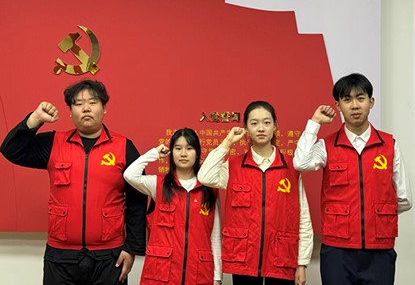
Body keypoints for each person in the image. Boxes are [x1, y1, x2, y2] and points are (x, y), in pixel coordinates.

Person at [0, 79, 148, 285]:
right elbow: (11, 149)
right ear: (70, 112)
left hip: (109, 256)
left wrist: (132, 248)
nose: (86, 108)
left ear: (104, 108)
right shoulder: (54, 143)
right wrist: (35, 119)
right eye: (78, 103)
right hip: (61, 256)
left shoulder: (123, 147)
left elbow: (137, 200)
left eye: (93, 102)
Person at [293, 73, 413, 285]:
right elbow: (301, 163)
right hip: (337, 251)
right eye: (347, 99)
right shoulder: (326, 146)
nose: (355, 105)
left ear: (371, 102)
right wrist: (314, 123)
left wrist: (376, 216)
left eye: (361, 98)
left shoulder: (389, 145)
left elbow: (404, 199)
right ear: (338, 106)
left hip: (379, 250)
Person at [198, 100, 313, 285]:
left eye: (266, 122)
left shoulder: (291, 167)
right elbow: (205, 176)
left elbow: (303, 216)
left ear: (275, 126)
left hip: (282, 257)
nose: (261, 128)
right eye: (254, 123)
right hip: (244, 258)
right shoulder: (234, 166)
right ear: (246, 128)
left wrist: (302, 262)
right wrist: (227, 142)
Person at [124, 127, 222, 285]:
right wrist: (155, 153)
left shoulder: (210, 189)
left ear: (197, 153)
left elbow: (215, 236)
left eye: (189, 148)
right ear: (171, 153)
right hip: (162, 274)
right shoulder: (158, 185)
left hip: (198, 274)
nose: (183, 154)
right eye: (178, 148)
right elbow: (129, 175)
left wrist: (217, 277)